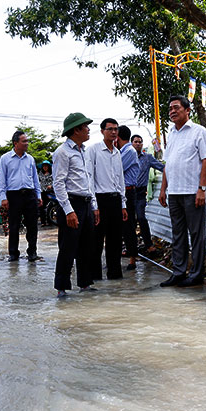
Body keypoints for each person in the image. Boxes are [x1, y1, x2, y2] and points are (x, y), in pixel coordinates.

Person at [158, 95, 206, 288]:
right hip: (174, 193)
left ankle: (197, 274)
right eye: (170, 109)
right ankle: (179, 273)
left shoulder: (199, 131)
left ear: (187, 110)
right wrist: (163, 189)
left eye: (176, 108)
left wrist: (202, 189)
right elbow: (168, 164)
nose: (172, 111)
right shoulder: (172, 133)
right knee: (178, 234)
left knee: (197, 234)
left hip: (192, 192)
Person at [52, 112, 100, 297]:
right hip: (71, 204)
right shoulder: (62, 152)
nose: (88, 129)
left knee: (87, 246)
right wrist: (68, 211)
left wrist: (94, 206)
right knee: (67, 247)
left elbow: (88, 181)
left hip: (86, 203)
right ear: (76, 130)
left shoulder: (84, 151)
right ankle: (61, 288)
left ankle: (85, 284)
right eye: (85, 126)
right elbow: (58, 183)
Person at [86, 118, 127, 281]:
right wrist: (94, 205)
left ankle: (115, 273)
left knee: (115, 240)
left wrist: (123, 204)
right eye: (110, 129)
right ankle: (95, 275)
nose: (114, 132)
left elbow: (120, 180)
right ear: (102, 131)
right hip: (100, 199)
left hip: (115, 200)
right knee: (96, 239)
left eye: (116, 129)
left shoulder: (117, 153)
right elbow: (89, 178)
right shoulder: (93, 150)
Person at [0, 130, 43, 262]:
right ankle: (13, 253)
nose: (27, 144)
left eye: (27, 141)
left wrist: (38, 195)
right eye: (24, 141)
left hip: (30, 195)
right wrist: (3, 198)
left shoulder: (30, 159)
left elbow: (35, 179)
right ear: (15, 143)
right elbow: (2, 180)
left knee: (32, 225)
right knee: (14, 226)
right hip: (13, 195)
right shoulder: (5, 159)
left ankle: (32, 252)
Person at [131, 134, 164, 253]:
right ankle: (131, 248)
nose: (138, 144)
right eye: (136, 142)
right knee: (130, 221)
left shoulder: (147, 158)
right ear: (131, 143)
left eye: (140, 142)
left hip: (140, 193)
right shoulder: (126, 156)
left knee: (141, 217)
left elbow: (162, 168)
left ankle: (149, 245)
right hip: (128, 193)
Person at [115, 125, 139, 271]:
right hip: (122, 192)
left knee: (128, 225)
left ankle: (132, 259)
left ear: (118, 137)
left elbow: (116, 169)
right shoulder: (122, 151)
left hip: (128, 192)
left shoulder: (128, 151)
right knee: (121, 226)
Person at [38, 161, 53, 226]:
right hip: (42, 191)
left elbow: (55, 180)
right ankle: (43, 222)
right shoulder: (40, 173)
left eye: (46, 166)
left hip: (50, 191)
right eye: (44, 166)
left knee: (50, 206)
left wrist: (51, 186)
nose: (45, 167)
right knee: (42, 207)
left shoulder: (52, 173)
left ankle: (50, 221)